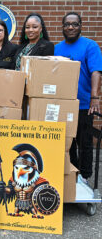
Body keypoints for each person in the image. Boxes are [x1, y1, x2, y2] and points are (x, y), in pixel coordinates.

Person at [55, 12, 102, 182]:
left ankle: (85, 177)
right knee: (68, 143)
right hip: (63, 104)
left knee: (85, 143)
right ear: (62, 27)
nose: (70, 27)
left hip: (83, 105)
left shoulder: (90, 46)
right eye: (67, 24)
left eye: (74, 24)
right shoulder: (57, 48)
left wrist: (94, 97)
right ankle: (72, 177)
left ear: (80, 26)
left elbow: (96, 72)